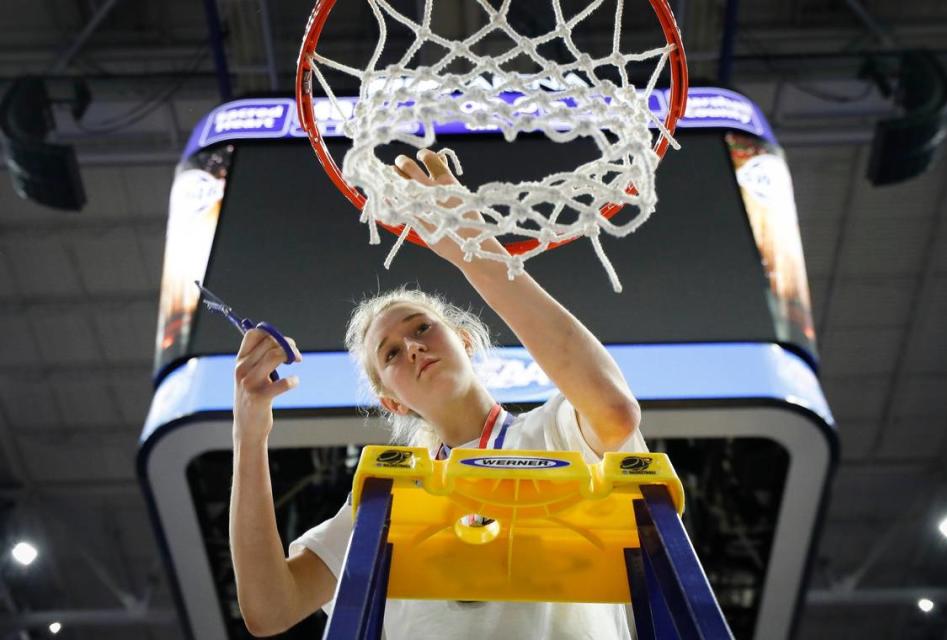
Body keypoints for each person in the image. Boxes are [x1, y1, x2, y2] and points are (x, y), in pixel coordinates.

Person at [229, 149, 647, 639]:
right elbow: (269, 607)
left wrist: (473, 246)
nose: (411, 346)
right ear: (392, 401)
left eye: (423, 326)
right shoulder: (389, 493)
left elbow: (615, 411)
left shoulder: (549, 429)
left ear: (465, 341)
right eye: (389, 354)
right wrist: (248, 433)